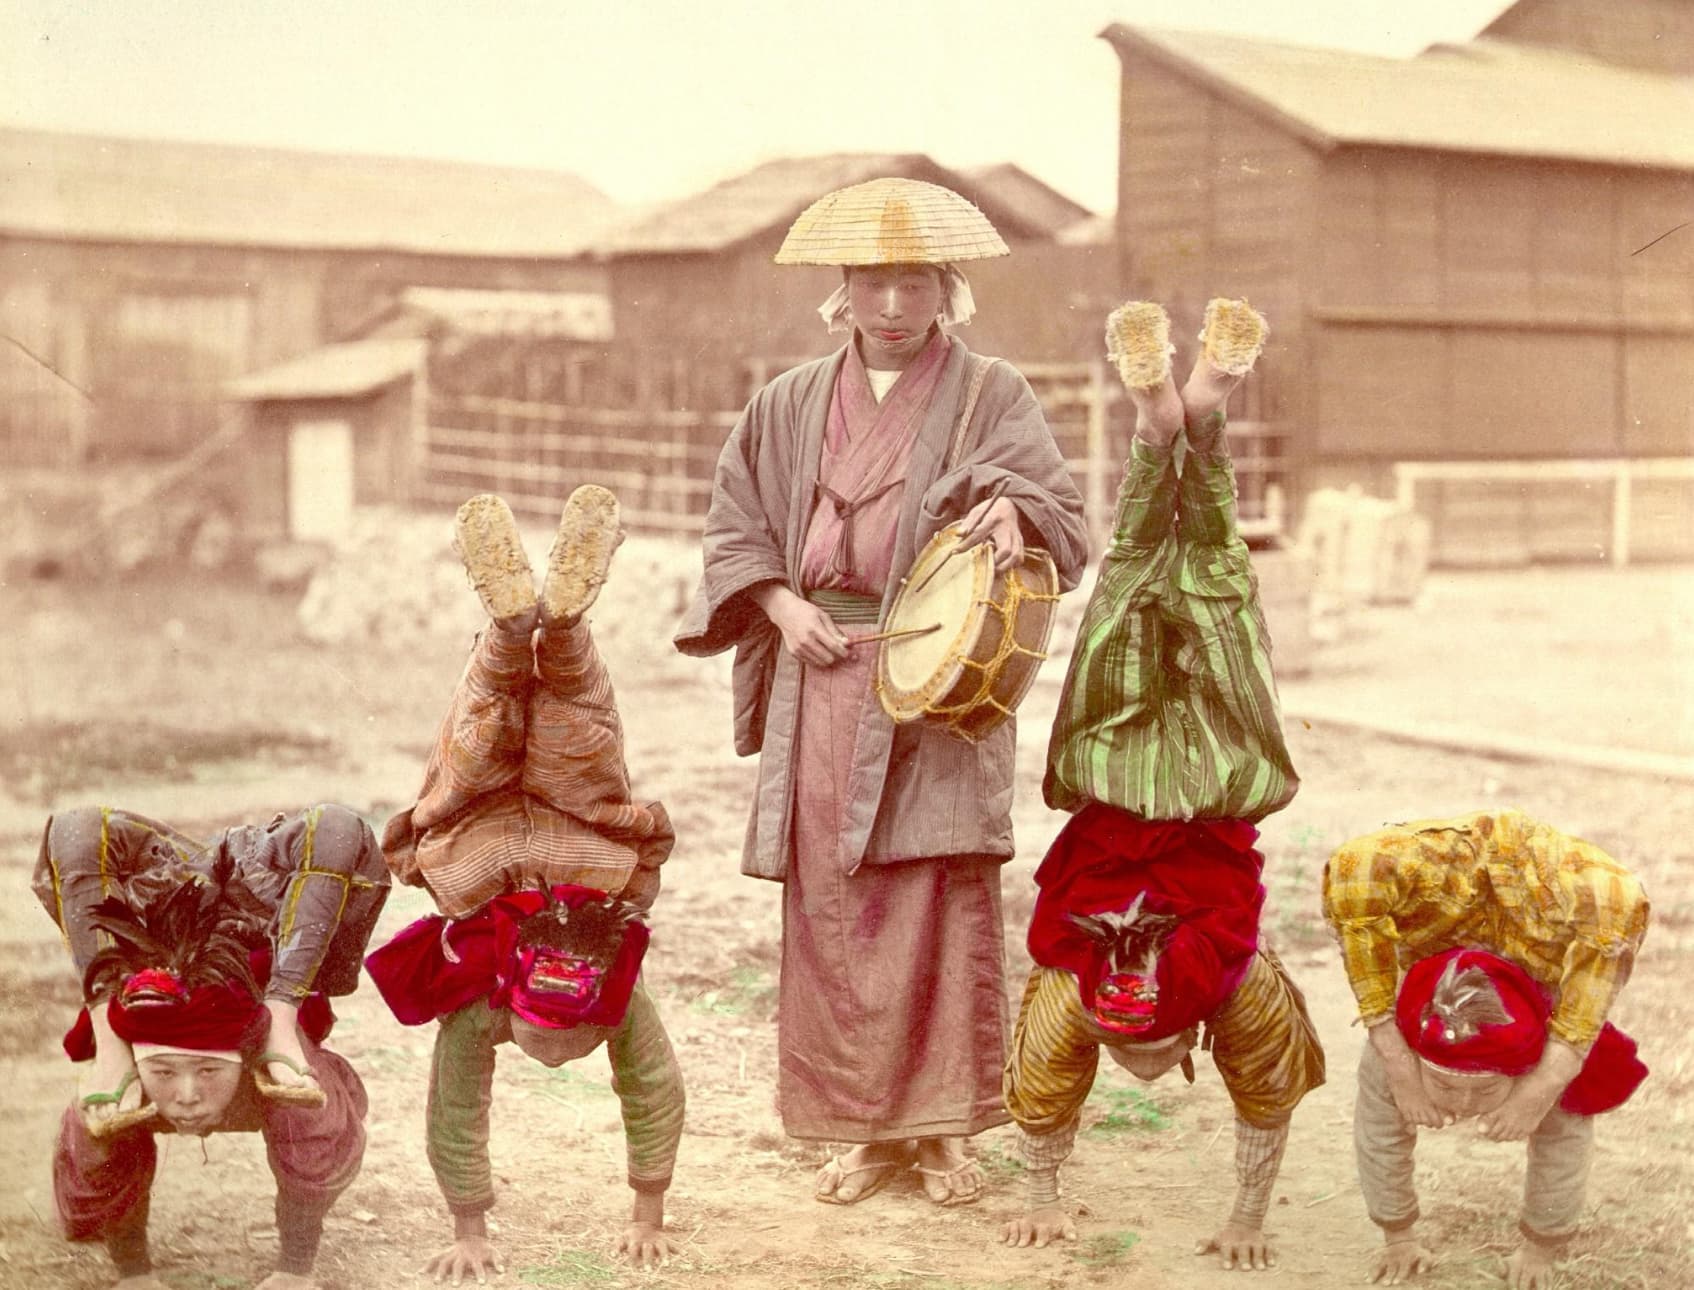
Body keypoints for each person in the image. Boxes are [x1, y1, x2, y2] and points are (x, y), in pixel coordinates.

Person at [675, 176, 1089, 1205]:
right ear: (842, 292)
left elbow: (1058, 509)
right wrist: (776, 606)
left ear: (946, 289)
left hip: (936, 684)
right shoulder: (784, 404)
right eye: (872, 283)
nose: (893, 307)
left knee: (936, 899)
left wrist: (1012, 515)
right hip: (820, 677)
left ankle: (942, 1130)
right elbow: (735, 524)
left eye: (913, 283)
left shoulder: (992, 393)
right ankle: (861, 1131)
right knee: (838, 905)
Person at [1002, 299, 1322, 1270]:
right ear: (1185, 1043)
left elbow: (1039, 1096)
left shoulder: (1158, 992)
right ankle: (1172, 419)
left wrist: (1044, 1196)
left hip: (1199, 765)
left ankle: (1188, 412)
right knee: (1144, 571)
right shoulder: (1196, 991)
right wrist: (1246, 1221)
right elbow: (1265, 1092)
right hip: (1123, 769)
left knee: (1216, 577)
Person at [373, 487, 683, 1276]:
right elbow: (652, 1092)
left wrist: (470, 1228)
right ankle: (530, 633)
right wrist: (646, 1210)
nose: (547, 1059)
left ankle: (540, 630)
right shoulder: (599, 1000)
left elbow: (456, 1111)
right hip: (484, 844)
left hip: (578, 839)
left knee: (576, 726)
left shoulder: (498, 998)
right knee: (477, 737)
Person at [35, 800, 387, 1289]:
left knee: (336, 829)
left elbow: (341, 828)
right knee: (76, 828)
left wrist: (295, 1271)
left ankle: (279, 1016)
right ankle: (122, 1041)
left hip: (259, 923)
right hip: (169, 912)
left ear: (243, 1061)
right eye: (164, 1073)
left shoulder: (286, 1079)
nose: (186, 1096)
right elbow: (74, 828)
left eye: (207, 1073)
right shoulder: (123, 1080)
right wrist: (110, 1038)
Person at [1323, 811, 1650, 1289]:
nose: (1460, 1110)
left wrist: (1542, 1246)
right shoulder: (1395, 1052)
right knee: (1359, 869)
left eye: (1480, 1093)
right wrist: (1398, 1236)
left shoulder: (1548, 1054)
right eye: (1446, 1088)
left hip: (1551, 919)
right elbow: (1379, 1136)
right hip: (1444, 903)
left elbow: (1564, 1136)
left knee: (1609, 912)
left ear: (1522, 1071)